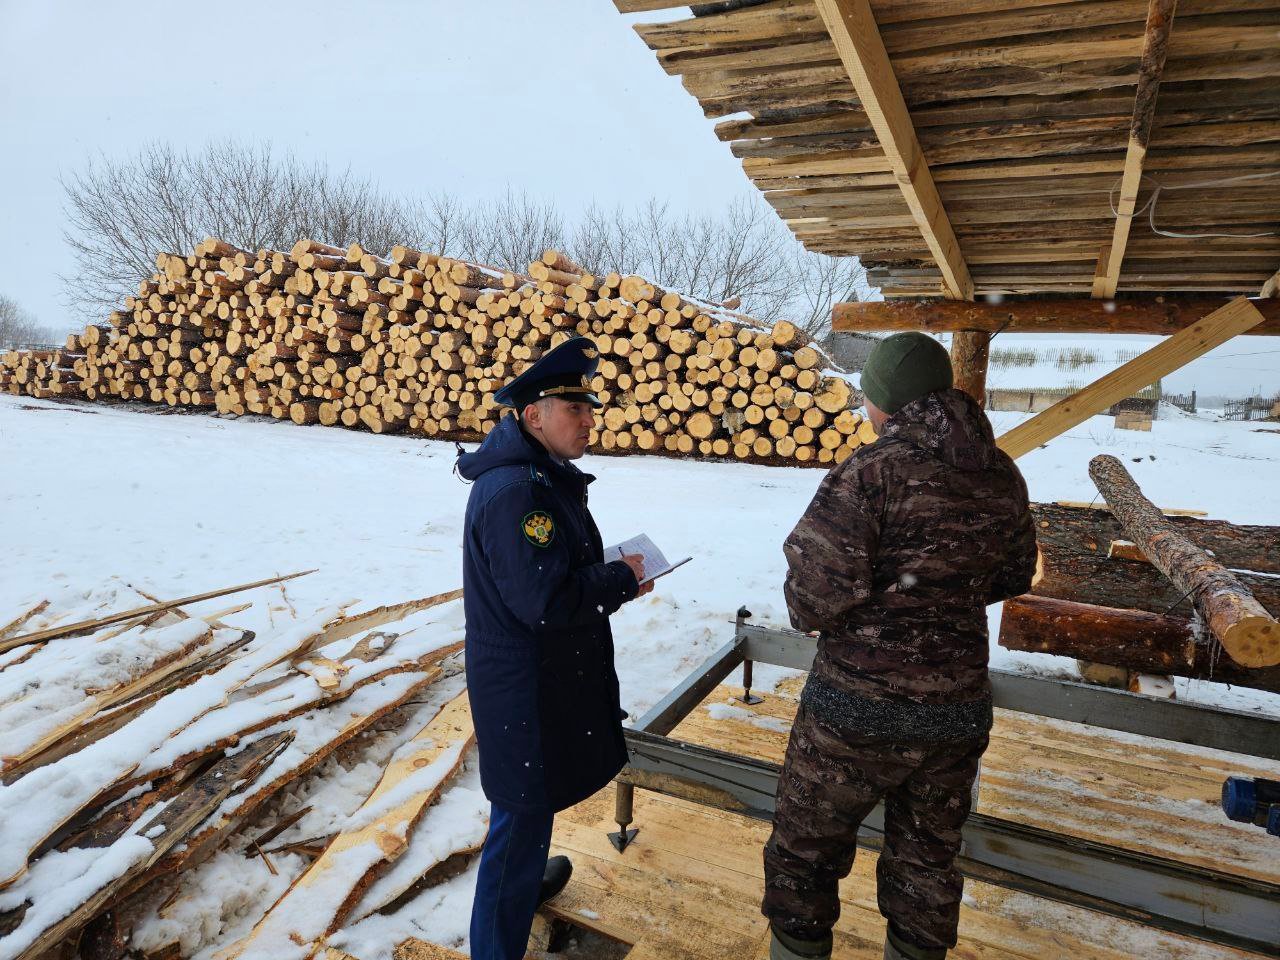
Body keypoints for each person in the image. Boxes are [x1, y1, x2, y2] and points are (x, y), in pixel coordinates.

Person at [762, 332, 1038, 960]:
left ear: (885, 400)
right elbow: (1015, 572)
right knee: (926, 868)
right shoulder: (1000, 472)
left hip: (855, 712)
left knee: (804, 856)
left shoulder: (871, 473)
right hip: (956, 711)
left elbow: (810, 600)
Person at [457, 335, 653, 960]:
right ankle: (497, 941)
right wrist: (622, 577)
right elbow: (544, 600)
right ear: (533, 415)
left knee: (529, 806)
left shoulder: (540, 478)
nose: (591, 421)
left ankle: (524, 882)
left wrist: (613, 572)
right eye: (577, 410)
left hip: (537, 680)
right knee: (518, 816)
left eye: (590, 408)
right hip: (523, 685)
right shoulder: (517, 491)